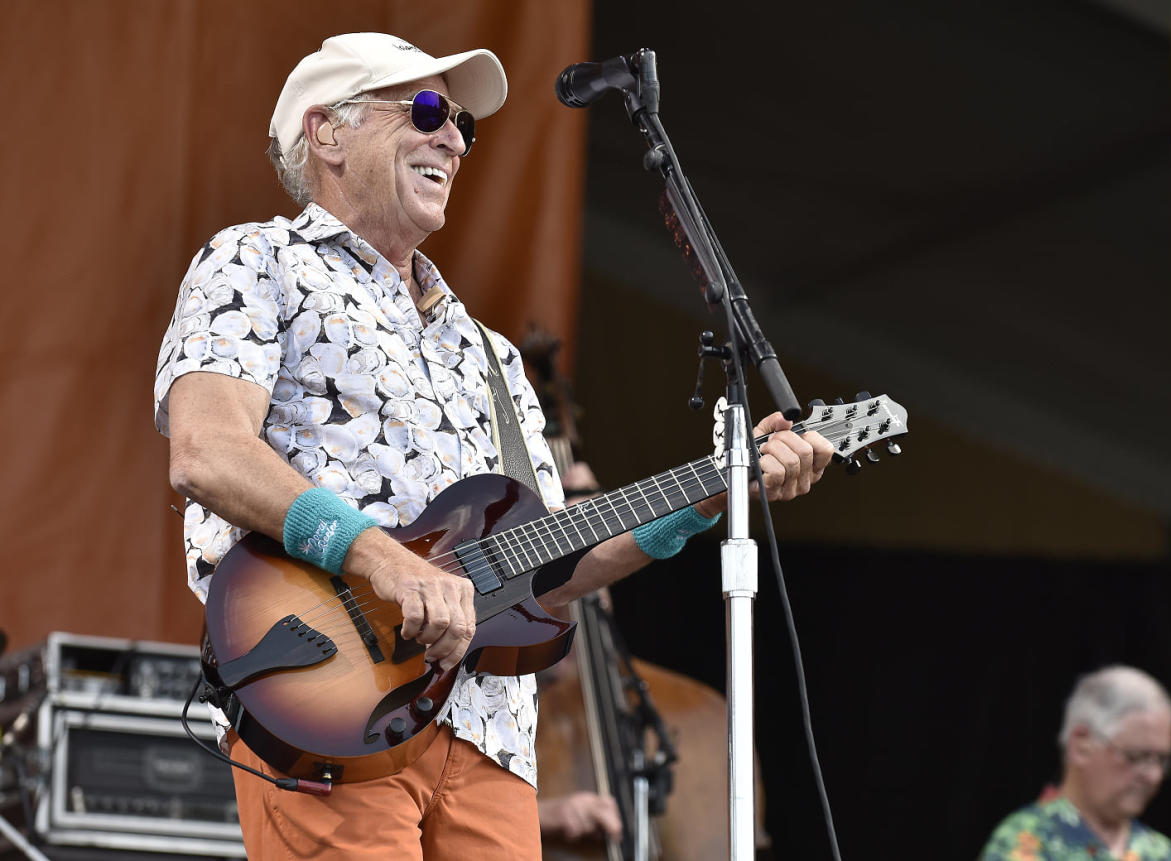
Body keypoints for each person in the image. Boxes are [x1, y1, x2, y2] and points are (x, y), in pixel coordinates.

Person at [153, 32, 832, 860]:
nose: (453, 137)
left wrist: (713, 492)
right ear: (327, 132)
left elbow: (553, 562)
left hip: (493, 742)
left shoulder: (491, 353)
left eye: (462, 125)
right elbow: (207, 451)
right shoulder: (255, 262)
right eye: (429, 111)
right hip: (332, 705)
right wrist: (381, 558)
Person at [979, 665, 1171, 861]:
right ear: (1082, 745)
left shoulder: (1167, 855)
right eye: (1136, 756)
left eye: (1161, 760)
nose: (1153, 775)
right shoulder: (1025, 842)